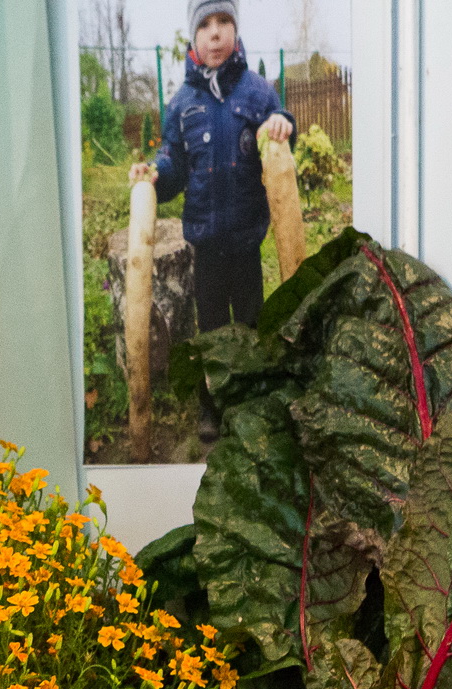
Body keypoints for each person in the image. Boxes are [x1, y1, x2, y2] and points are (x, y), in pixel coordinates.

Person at [128, 4, 291, 439]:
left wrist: (281, 122)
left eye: (223, 23)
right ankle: (213, 407)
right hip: (206, 241)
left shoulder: (258, 94)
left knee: (252, 322)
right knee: (213, 328)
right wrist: (155, 172)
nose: (215, 35)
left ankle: (252, 401)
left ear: (235, 31)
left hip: (246, 238)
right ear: (193, 37)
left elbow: (282, 120)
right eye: (205, 25)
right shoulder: (182, 104)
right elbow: (174, 163)